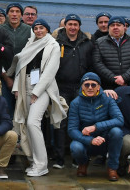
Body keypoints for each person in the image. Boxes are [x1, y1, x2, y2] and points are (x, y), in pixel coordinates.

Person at [10, 18, 65, 177]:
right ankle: (34, 161)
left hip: (43, 88)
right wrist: (16, 88)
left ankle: (42, 165)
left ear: (47, 29)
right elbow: (21, 66)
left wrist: (36, 93)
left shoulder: (53, 45)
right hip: (25, 84)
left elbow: (50, 72)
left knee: (33, 123)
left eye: (42, 28)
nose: (38, 30)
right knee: (26, 124)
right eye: (36, 28)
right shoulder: (30, 43)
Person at [51, 13, 92, 169]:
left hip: (80, 88)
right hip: (60, 87)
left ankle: (77, 157)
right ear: (65, 26)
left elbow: (92, 65)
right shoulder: (56, 42)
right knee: (60, 122)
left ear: (79, 26)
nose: (73, 27)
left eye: (76, 24)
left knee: (79, 122)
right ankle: (60, 158)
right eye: (70, 24)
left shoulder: (87, 43)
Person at [68, 72, 124, 181]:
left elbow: (119, 119)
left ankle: (112, 168)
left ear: (98, 86)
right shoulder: (75, 103)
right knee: (75, 147)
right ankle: (82, 164)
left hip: (105, 138)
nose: (90, 87)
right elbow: (72, 130)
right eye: (86, 84)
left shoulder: (107, 98)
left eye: (93, 85)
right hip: (86, 140)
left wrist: (95, 127)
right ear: (82, 86)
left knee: (117, 132)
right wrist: (90, 140)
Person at [92, 15, 130, 90]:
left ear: (124, 27)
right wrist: (115, 79)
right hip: (108, 86)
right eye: (112, 25)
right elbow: (97, 63)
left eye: (118, 25)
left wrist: (124, 78)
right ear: (108, 28)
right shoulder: (99, 42)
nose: (115, 27)